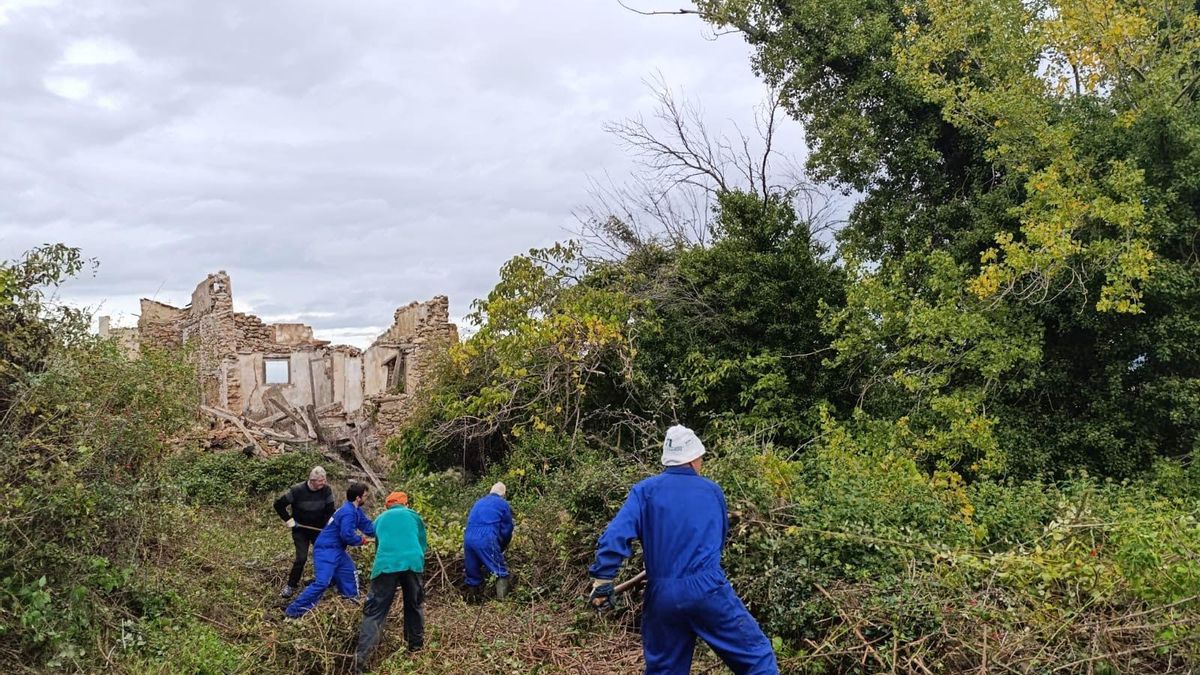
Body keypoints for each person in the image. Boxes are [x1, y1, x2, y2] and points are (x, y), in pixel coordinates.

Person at [587, 425, 778, 675]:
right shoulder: (712, 491)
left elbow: (615, 535)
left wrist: (603, 579)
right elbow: (719, 538)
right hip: (708, 589)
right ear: (693, 458)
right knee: (757, 658)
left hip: (662, 595)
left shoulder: (645, 491)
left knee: (665, 671)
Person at [354, 491, 428, 673]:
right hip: (412, 563)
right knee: (414, 605)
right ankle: (415, 649)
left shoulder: (380, 519)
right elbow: (422, 544)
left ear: (387, 506)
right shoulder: (413, 516)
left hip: (385, 565)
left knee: (375, 612)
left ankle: (362, 662)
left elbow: (379, 545)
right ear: (405, 504)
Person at [284, 482, 376, 618]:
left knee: (349, 574)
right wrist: (360, 540)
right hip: (326, 550)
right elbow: (347, 535)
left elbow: (368, 527)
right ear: (358, 498)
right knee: (322, 583)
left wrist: (383, 531)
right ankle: (293, 611)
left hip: (337, 550)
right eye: (365, 496)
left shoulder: (355, 510)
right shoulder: (348, 513)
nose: (366, 499)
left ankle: (351, 603)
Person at [273, 466, 335, 598]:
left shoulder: (326, 490)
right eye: (321, 481)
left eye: (324, 480)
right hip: (300, 530)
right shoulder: (297, 490)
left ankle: (324, 581)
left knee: (324, 554)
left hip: (318, 530)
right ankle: (291, 585)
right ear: (312, 481)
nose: (324, 483)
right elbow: (278, 505)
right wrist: (288, 519)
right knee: (301, 558)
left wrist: (328, 525)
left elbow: (330, 510)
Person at [462, 481, 514, 601]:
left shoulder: (479, 502)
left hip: (468, 537)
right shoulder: (502, 504)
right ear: (503, 494)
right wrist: (501, 546)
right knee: (500, 570)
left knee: (472, 570)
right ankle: (502, 602)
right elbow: (507, 529)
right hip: (486, 537)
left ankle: (472, 600)